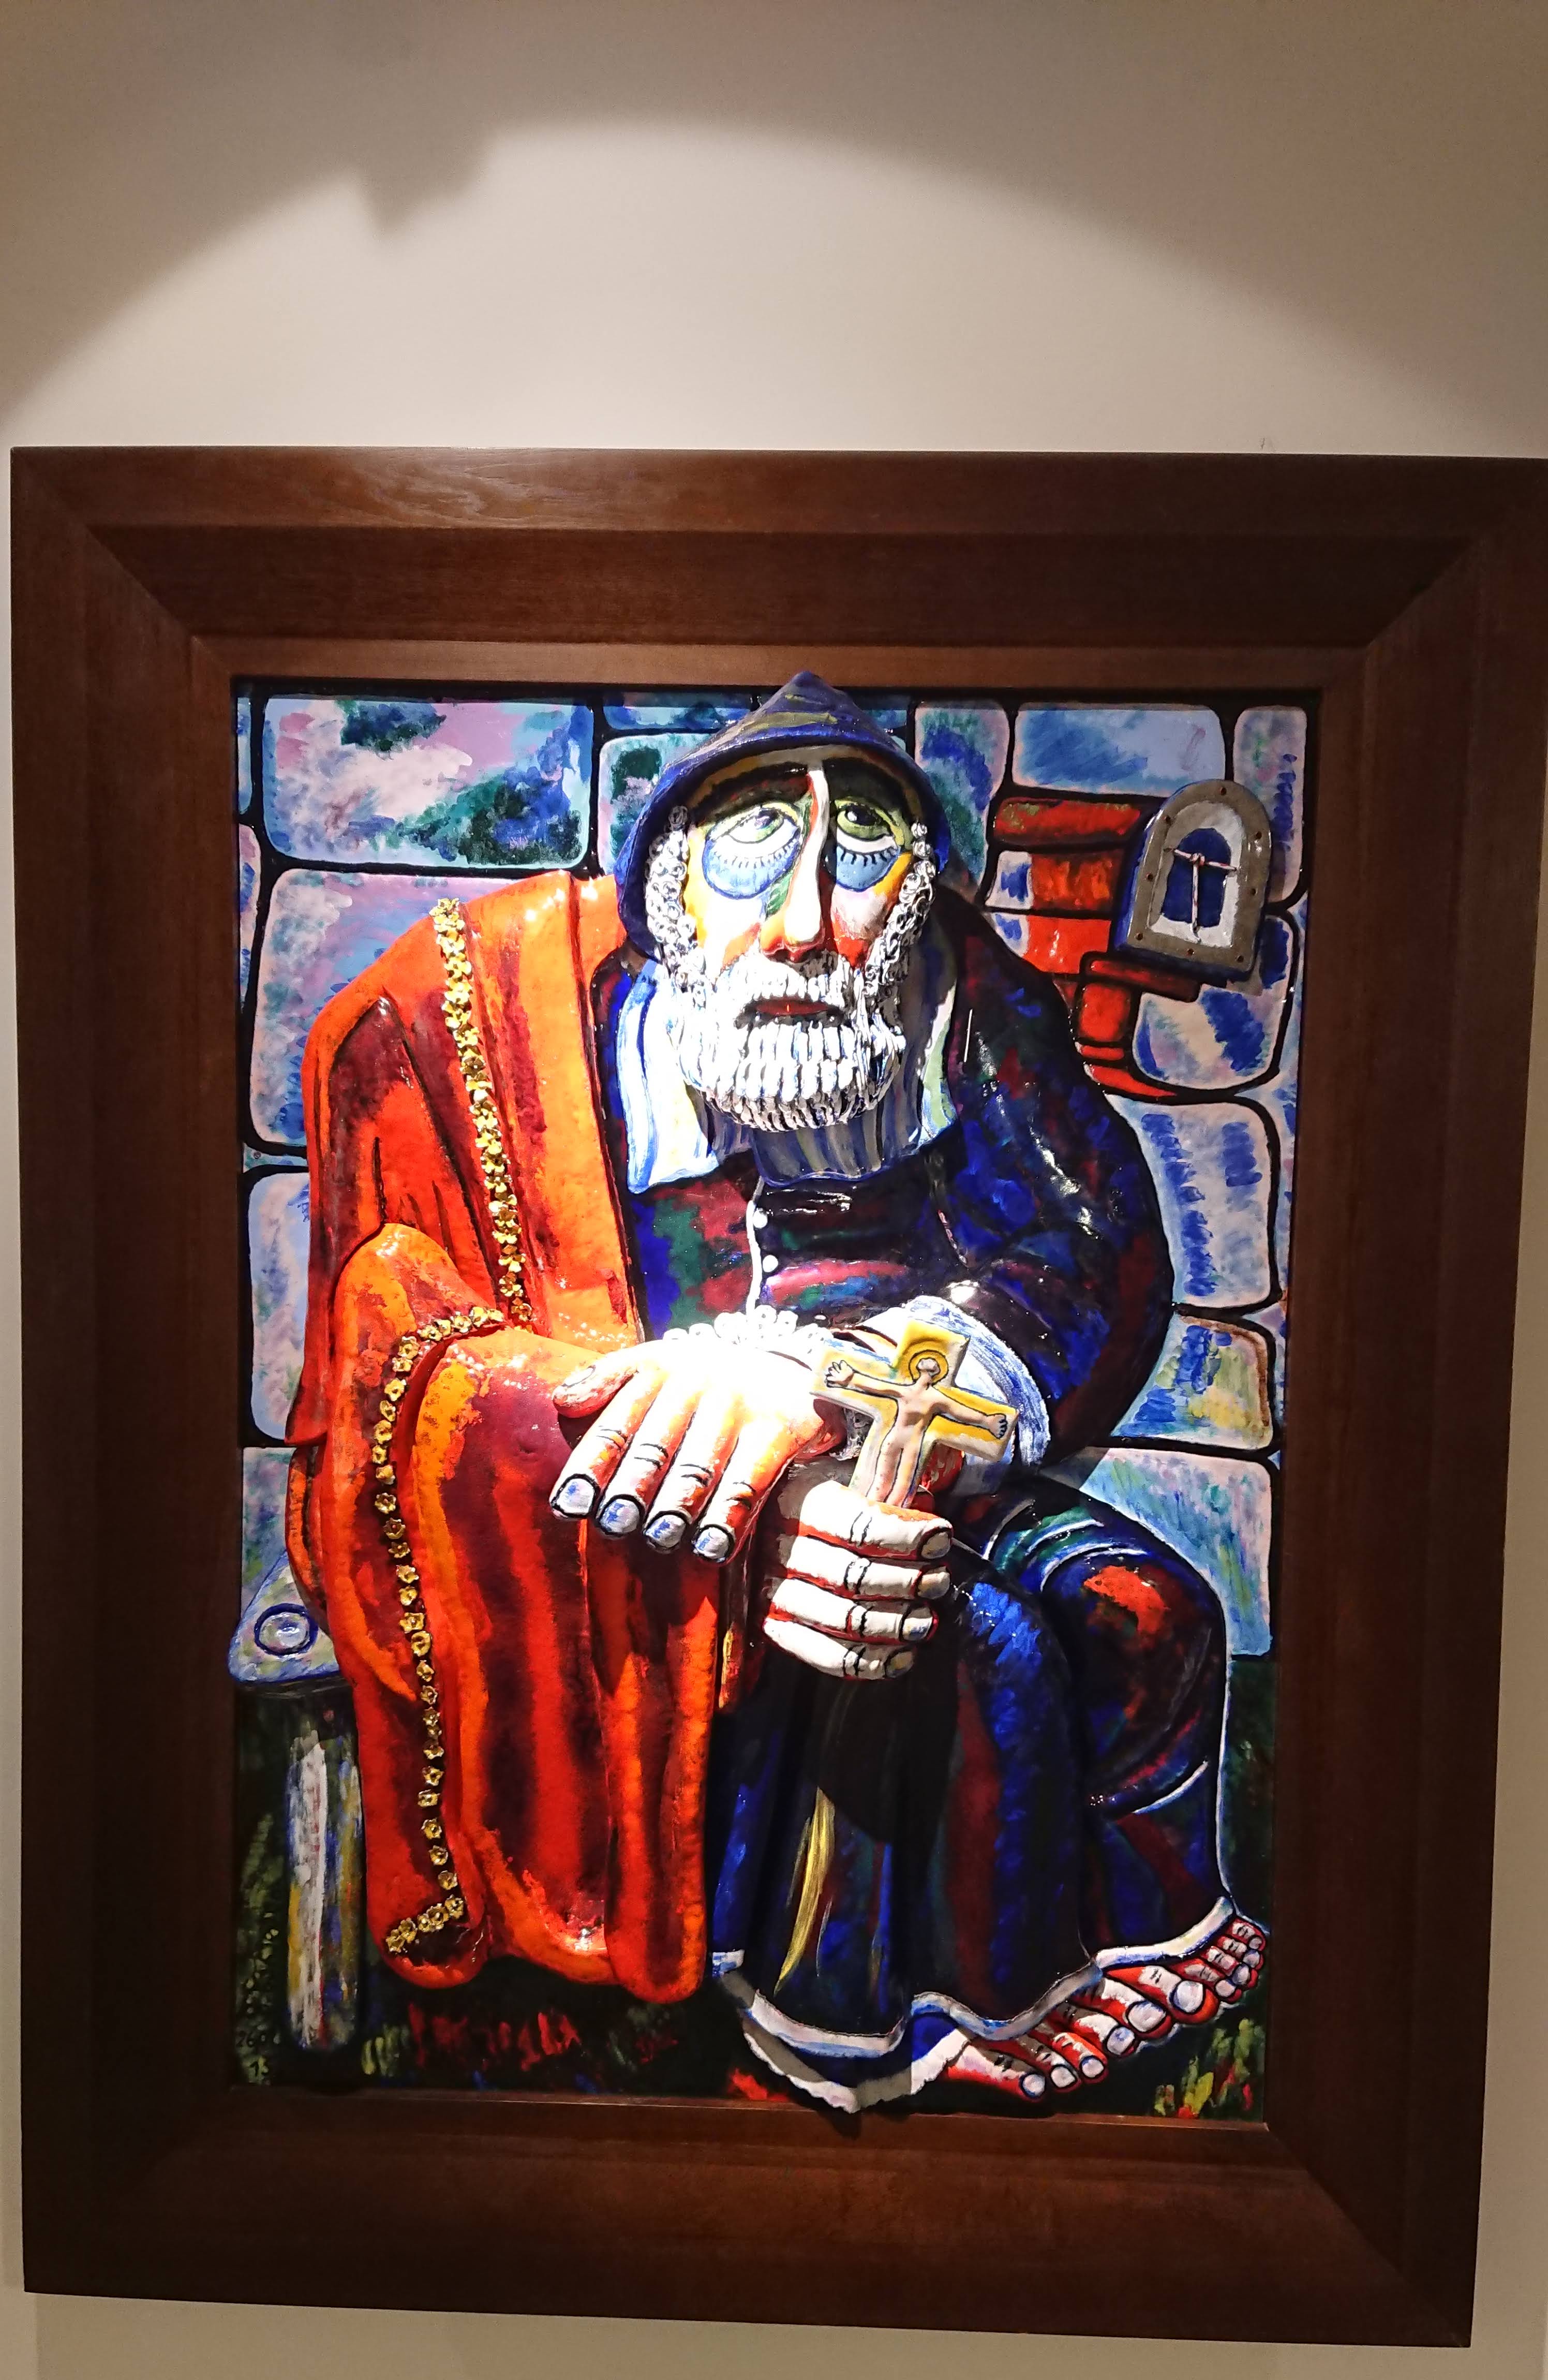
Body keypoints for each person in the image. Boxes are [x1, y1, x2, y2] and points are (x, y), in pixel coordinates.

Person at [288, 675, 1262, 2110]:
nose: (808, 920)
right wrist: (745, 1490)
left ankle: (1119, 1954)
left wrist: (852, 1386)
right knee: (956, 1641)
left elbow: (1092, 1247)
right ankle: (879, 2022)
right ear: (671, 889)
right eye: (754, 853)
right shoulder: (483, 1023)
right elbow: (405, 1350)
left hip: (918, 1436)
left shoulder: (965, 1003)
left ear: (913, 893)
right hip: (668, 1487)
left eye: (860, 859)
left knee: (1148, 1608)